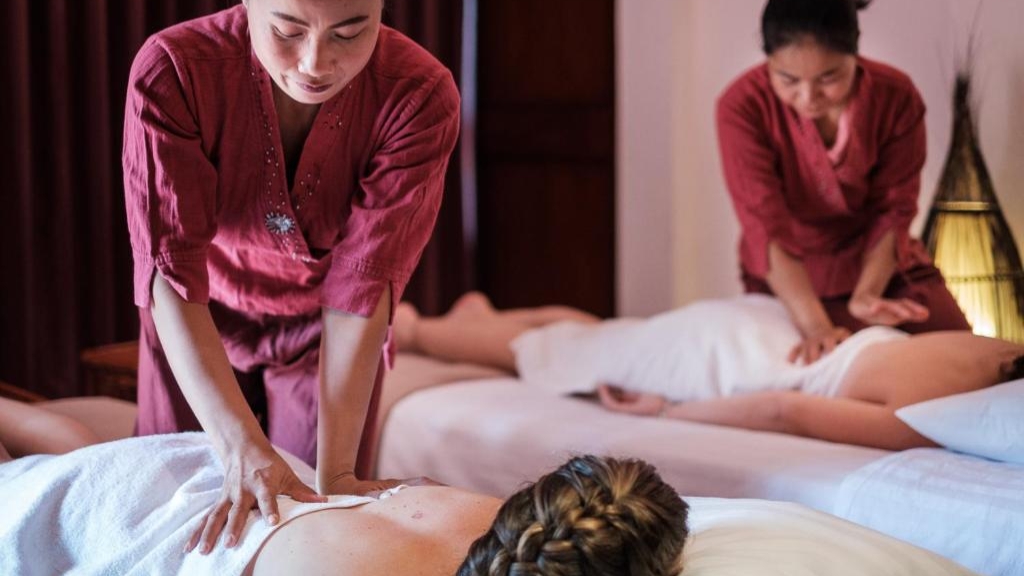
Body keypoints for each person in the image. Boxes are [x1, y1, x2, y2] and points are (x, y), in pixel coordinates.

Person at [122, 0, 459, 551]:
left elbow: (363, 282)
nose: (315, 64)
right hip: (199, 315)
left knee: (316, 525)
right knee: (177, 521)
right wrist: (240, 445)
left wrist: (339, 476)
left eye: (349, 33)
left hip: (325, 333)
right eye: (287, 30)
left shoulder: (418, 93)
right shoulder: (176, 70)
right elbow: (170, 266)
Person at [0, 400, 689, 576]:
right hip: (207, 502)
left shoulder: (501, 520)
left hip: (212, 478)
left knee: (70, 453)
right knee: (52, 465)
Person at [394, 292, 1024, 451]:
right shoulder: (938, 419)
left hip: (765, 325)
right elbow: (784, 409)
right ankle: (417, 328)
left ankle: (482, 316)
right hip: (733, 363)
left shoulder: (999, 350)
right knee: (560, 353)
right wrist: (667, 410)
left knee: (601, 336)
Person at [715, 0, 970, 365]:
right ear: (768, 62)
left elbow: (893, 210)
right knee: (804, 368)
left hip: (879, 268)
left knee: (964, 357)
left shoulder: (895, 97)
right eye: (788, 80)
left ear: (855, 55)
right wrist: (816, 328)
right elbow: (765, 226)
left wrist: (868, 296)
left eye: (828, 78)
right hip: (790, 283)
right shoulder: (742, 105)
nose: (808, 98)